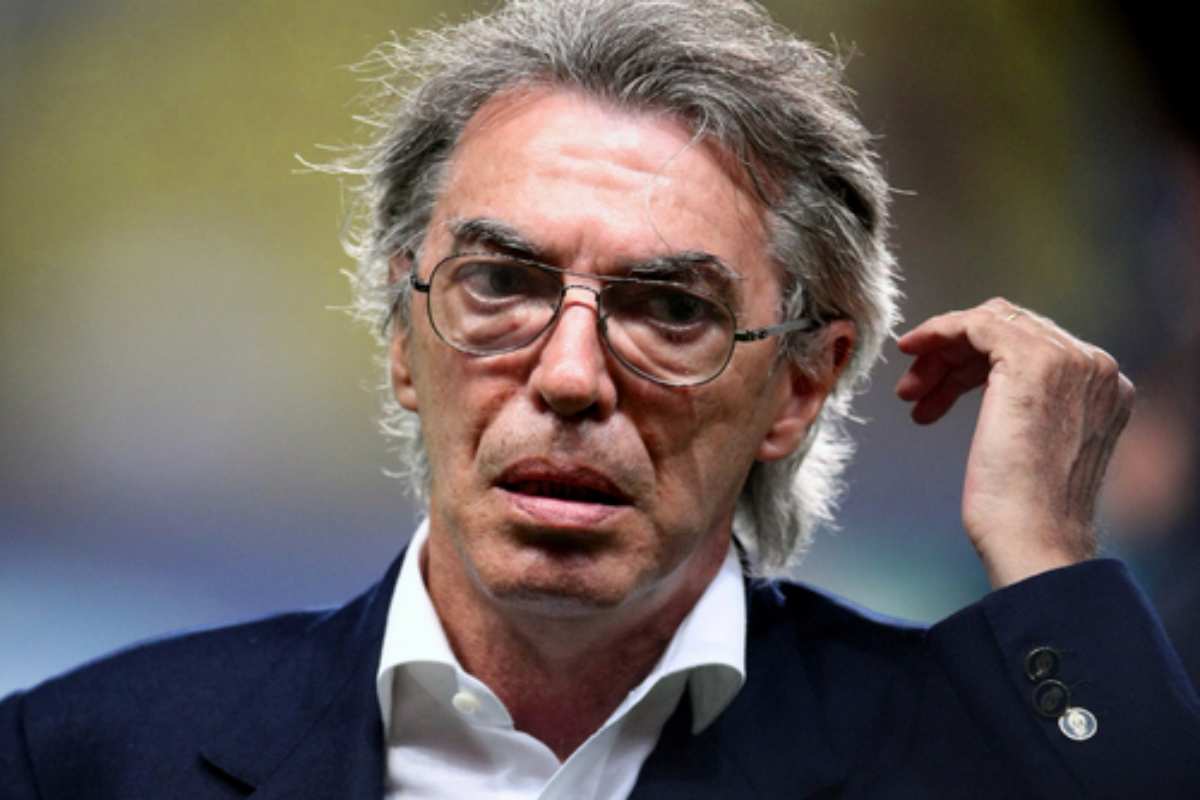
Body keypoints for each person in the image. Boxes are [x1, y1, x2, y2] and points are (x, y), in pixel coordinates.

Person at [2, 1, 1197, 797]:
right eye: (501, 284)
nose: (571, 375)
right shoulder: (83, 755)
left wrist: (1049, 556)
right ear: (405, 338)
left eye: (670, 308)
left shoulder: (974, 749)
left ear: (800, 386)